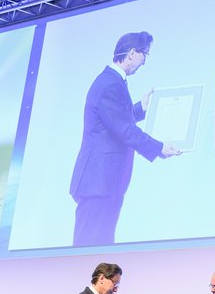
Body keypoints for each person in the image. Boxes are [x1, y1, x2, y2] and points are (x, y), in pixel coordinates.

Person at [69, 31, 180, 247]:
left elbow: (113, 120)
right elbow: (125, 130)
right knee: (89, 248)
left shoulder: (111, 81)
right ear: (131, 54)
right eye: (145, 55)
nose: (144, 62)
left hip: (103, 183)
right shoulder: (111, 84)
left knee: (98, 247)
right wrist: (159, 148)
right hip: (99, 183)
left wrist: (140, 108)